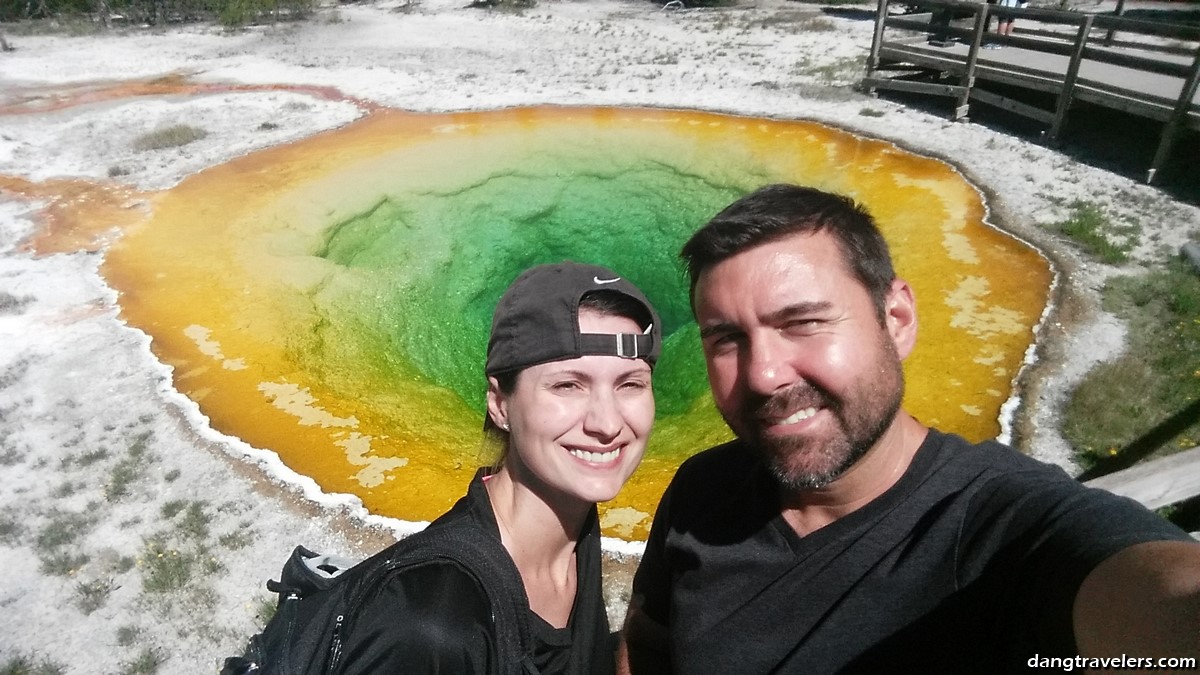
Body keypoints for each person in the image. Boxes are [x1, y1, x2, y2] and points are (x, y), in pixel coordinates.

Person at [619, 184, 1200, 673]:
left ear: (896, 319)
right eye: (727, 338)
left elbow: (1156, 598)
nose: (764, 374)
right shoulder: (703, 488)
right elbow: (646, 641)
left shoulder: (1003, 529)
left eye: (804, 322)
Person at [338, 261, 661, 673]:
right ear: (499, 403)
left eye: (630, 384)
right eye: (567, 385)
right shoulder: (433, 625)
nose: (608, 424)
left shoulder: (574, 534)